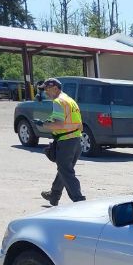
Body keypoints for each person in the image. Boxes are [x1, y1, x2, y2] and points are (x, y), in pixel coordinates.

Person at [34, 78, 85, 206]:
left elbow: (59, 124)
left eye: (47, 89)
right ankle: (54, 195)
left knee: (66, 171)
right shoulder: (68, 100)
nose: (45, 92)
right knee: (64, 169)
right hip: (76, 140)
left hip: (66, 141)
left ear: (55, 88)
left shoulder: (58, 101)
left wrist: (43, 124)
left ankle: (79, 201)